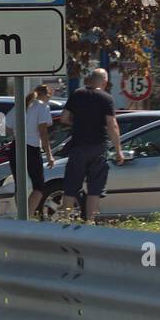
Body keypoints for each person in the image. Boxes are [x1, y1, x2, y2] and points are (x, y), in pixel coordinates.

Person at [56, 69, 124, 221]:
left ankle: (65, 219)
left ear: (90, 80)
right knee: (95, 187)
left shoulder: (77, 94)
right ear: (105, 82)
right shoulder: (106, 98)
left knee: (71, 185)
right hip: (98, 146)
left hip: (78, 146)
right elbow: (112, 124)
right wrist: (119, 150)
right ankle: (90, 221)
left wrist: (79, 122)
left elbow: (64, 118)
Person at [5, 83, 56, 217]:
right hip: (32, 148)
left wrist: (19, 133)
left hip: (16, 147)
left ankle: (21, 215)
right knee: (38, 186)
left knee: (19, 184)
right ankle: (28, 214)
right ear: (46, 95)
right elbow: (43, 132)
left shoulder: (22, 105)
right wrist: (49, 154)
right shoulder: (42, 107)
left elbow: (7, 127)